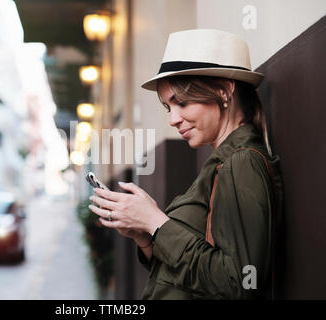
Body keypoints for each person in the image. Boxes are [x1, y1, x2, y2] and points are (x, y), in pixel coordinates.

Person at [88, 29, 283, 299]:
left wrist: (156, 222)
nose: (173, 119)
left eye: (182, 102)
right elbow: (185, 275)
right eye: (169, 107)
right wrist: (145, 235)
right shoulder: (219, 163)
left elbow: (241, 282)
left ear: (225, 91)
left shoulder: (241, 162)